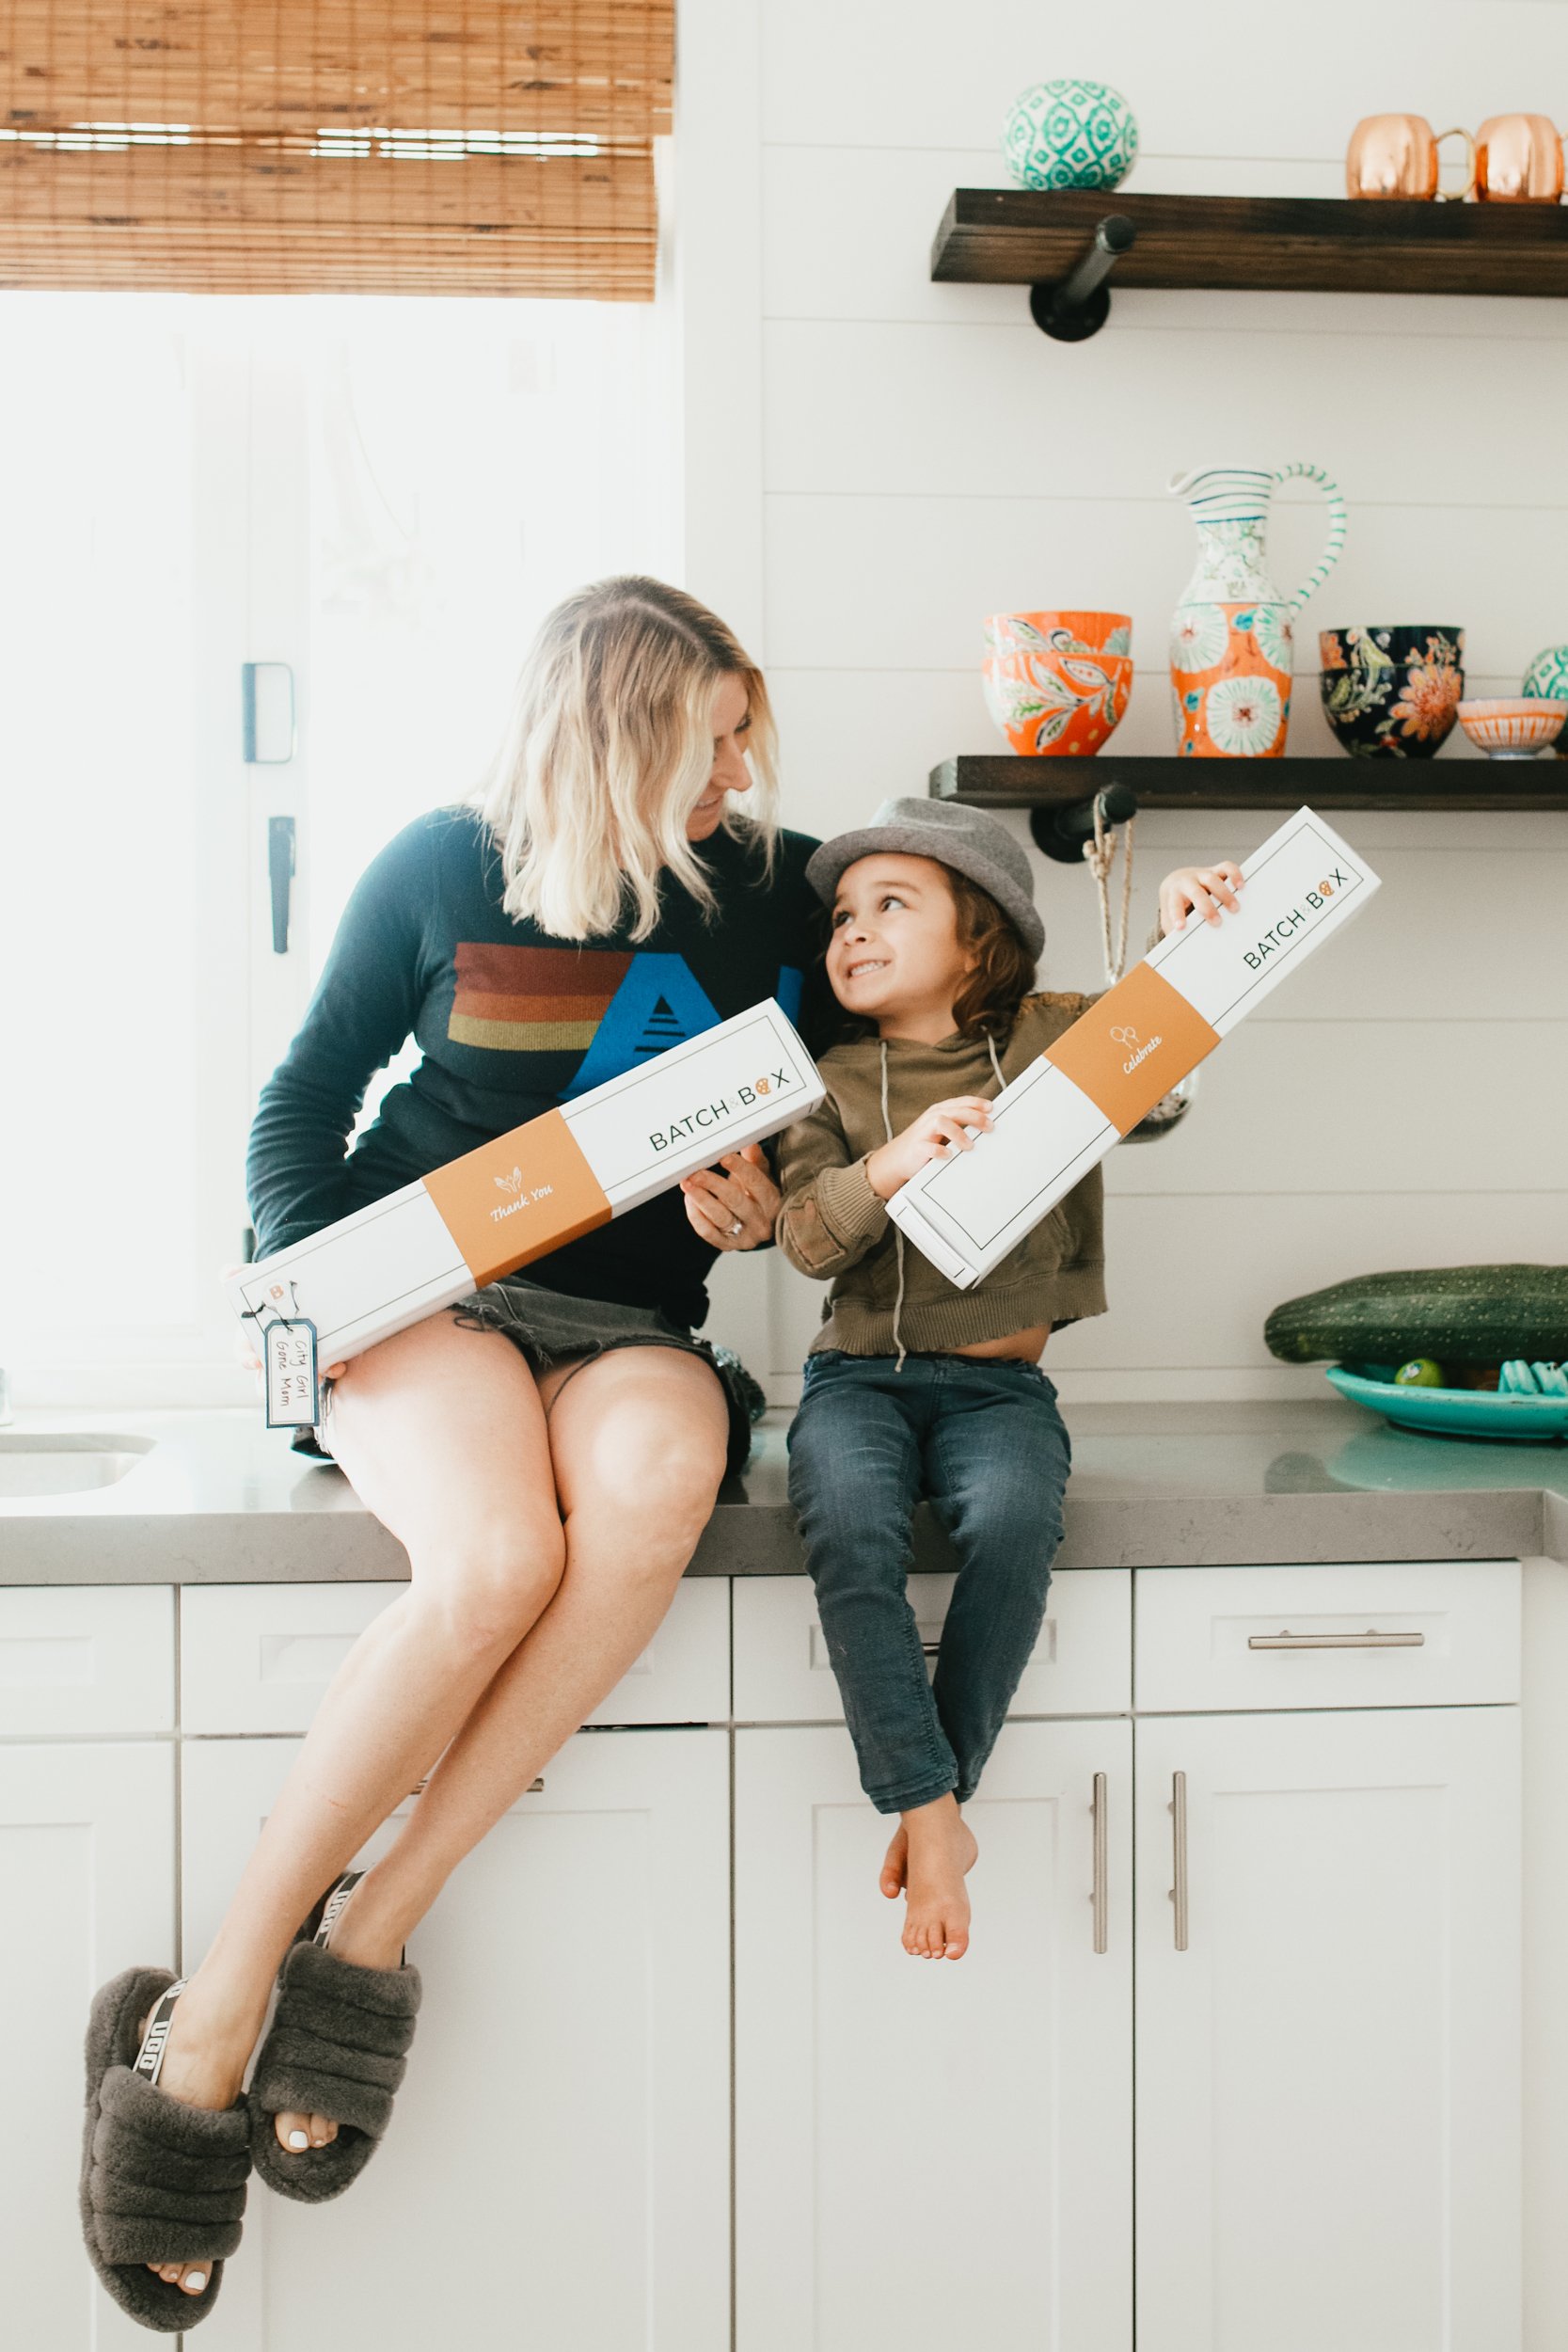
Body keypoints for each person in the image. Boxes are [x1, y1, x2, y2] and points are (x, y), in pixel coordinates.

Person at [79, 577, 824, 2331]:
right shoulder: (442, 864)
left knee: (649, 1490)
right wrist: (313, 1287)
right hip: (425, 1300)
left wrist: (761, 1198)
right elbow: (302, 1100)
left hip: (631, 1324)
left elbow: (869, 1093)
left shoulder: (781, 892)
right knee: (496, 1562)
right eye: (705, 739)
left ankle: (371, 1930)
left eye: (742, 734)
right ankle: (219, 2003)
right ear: (611, 733)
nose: (735, 769)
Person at [776, 798, 1243, 1963]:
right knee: (847, 1527)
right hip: (857, 1383)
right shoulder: (822, 1081)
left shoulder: (1042, 1038)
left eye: (892, 904)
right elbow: (803, 1238)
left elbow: (1163, 1063)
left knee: (1017, 1519)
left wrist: (1186, 932)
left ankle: (935, 1797)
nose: (852, 931)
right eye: (842, 913)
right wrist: (890, 1162)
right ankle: (933, 1815)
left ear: (978, 935)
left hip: (997, 1392)